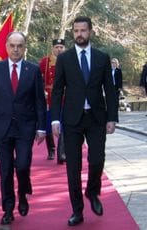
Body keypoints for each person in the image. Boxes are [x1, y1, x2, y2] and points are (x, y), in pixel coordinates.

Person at [50, 16, 118, 226]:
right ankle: (77, 211)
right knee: (73, 168)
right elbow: (57, 89)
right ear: (73, 32)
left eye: (83, 30)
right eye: (76, 30)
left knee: (97, 160)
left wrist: (112, 118)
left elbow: (110, 89)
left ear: (90, 32)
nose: (79, 34)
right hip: (72, 119)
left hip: (96, 118)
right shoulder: (65, 59)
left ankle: (92, 191)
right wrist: (54, 119)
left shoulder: (102, 57)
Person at [0, 31, 46, 225]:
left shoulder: (33, 70)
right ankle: (8, 208)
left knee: (23, 165)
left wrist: (42, 127)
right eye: (12, 45)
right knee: (6, 169)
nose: (16, 49)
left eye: (20, 45)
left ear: (24, 48)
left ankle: (23, 192)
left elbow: (39, 101)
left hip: (25, 127)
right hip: (2, 127)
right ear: (7, 47)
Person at [39, 39, 66, 163]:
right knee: (49, 125)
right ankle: (51, 149)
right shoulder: (45, 61)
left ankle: (62, 153)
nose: (59, 49)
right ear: (53, 48)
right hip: (49, 97)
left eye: (61, 47)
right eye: (57, 47)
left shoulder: (69, 60)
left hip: (64, 97)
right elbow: (38, 78)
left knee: (64, 124)